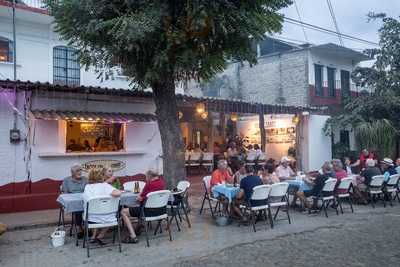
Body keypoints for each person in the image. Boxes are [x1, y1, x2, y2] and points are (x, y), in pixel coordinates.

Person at [120, 170, 165, 244]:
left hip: (147, 212)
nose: (145, 178)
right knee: (141, 206)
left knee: (123, 211)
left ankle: (133, 236)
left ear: (149, 176)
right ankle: (139, 226)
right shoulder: (161, 182)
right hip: (160, 211)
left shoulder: (149, 184)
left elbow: (139, 199)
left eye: (146, 176)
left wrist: (140, 195)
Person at [83, 168, 122, 245]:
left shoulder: (87, 187)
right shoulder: (105, 186)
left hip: (91, 219)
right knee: (111, 214)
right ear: (101, 177)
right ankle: (100, 236)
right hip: (109, 218)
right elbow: (118, 193)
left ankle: (93, 237)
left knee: (94, 211)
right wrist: (109, 195)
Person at [61, 164, 88, 239]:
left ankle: (88, 226)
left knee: (90, 206)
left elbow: (88, 190)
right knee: (78, 209)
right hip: (73, 201)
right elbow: (65, 193)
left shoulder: (85, 179)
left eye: (80, 171)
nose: (79, 172)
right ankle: (79, 228)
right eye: (77, 171)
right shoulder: (67, 180)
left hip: (84, 199)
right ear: (72, 173)